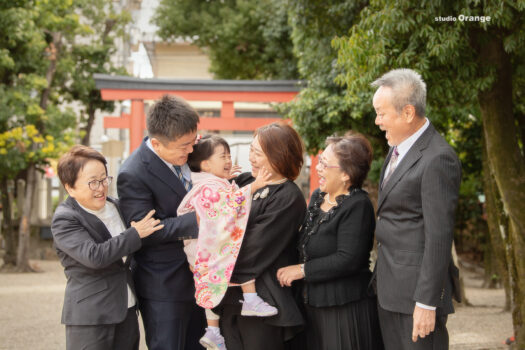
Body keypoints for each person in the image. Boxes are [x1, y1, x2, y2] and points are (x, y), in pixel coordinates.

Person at [371, 68, 461, 349]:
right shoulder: (397, 148)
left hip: (416, 298)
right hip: (389, 288)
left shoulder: (438, 158)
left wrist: (426, 301)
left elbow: (439, 237)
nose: (377, 121)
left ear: (408, 112)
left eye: (382, 113)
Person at [277, 132, 384, 350]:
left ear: (346, 174)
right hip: (310, 305)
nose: (318, 168)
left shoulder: (358, 205)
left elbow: (349, 259)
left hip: (343, 309)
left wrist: (302, 270)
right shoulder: (317, 197)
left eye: (325, 164)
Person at [51, 145, 164, 350]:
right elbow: (94, 256)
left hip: (127, 309)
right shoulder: (65, 219)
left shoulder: (117, 205)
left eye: (104, 179)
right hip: (91, 317)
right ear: (70, 187)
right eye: (93, 182)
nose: (101, 188)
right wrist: (134, 234)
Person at [117, 95, 206, 350]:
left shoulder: (187, 148)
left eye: (193, 141)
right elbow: (147, 231)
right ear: (156, 143)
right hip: (163, 286)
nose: (191, 150)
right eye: (184, 146)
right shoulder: (133, 173)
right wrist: (198, 219)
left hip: (197, 279)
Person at [178, 134, 279, 350]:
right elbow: (228, 207)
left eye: (229, 155)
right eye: (223, 156)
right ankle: (250, 299)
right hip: (203, 246)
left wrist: (226, 181)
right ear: (205, 164)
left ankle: (213, 332)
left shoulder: (204, 182)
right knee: (239, 245)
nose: (228, 160)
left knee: (209, 286)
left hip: (196, 248)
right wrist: (254, 186)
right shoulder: (210, 186)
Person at [215, 122, 307, 350]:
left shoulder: (288, 197)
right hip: (230, 296)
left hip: (264, 301)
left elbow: (253, 249)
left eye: (257, 153)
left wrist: (213, 261)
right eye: (251, 151)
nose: (251, 158)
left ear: (278, 155)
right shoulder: (247, 181)